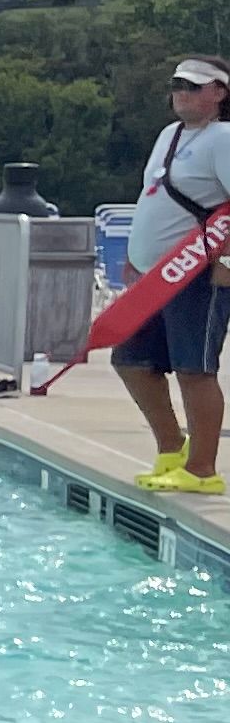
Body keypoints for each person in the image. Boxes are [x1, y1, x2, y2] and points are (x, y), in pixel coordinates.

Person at [114, 53, 230, 496]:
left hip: (196, 274)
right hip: (152, 274)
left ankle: (203, 469)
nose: (181, 91)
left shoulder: (222, 138)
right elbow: (154, 198)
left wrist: (226, 264)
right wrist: (134, 256)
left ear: (219, 93)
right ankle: (171, 449)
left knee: (194, 369)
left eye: (194, 85)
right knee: (131, 360)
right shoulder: (169, 134)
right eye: (178, 83)